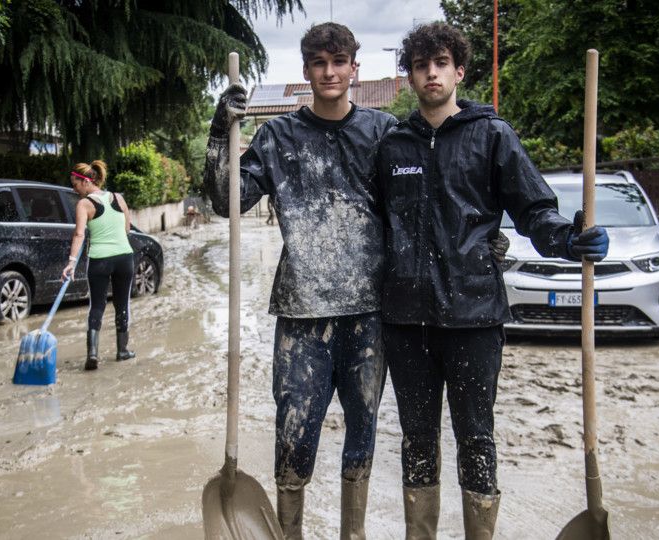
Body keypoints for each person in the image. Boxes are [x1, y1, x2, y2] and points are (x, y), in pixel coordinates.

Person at [374, 23, 610, 539]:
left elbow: (534, 210)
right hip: (405, 320)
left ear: (459, 71)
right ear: (410, 77)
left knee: (477, 440)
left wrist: (569, 239)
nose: (431, 73)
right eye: (421, 65)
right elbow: (374, 226)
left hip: (475, 317)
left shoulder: (492, 135)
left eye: (441, 63)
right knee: (416, 440)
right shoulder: (393, 146)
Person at [205, 22, 397, 539]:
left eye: (338, 62)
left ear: (355, 68)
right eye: (319, 63)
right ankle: (291, 534)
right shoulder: (278, 136)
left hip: (368, 311)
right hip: (301, 313)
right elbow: (226, 201)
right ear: (306, 70)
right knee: (293, 436)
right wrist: (219, 134)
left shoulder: (383, 132)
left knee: (363, 430)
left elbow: (419, 203)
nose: (329, 72)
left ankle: (353, 534)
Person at [62, 160, 137, 371]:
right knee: (122, 304)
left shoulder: (84, 204)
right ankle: (122, 351)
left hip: (100, 260)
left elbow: (79, 234)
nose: (74, 189)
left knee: (97, 306)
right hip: (124, 259)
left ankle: (93, 354)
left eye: (75, 184)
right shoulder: (118, 198)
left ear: (85, 181)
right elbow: (127, 229)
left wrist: (71, 262)